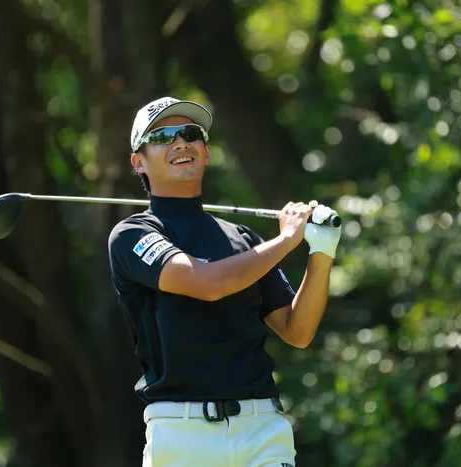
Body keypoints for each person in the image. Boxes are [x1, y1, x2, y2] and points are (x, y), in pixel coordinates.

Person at [108, 97, 342, 467]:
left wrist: (322, 251)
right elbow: (208, 284)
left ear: (206, 153)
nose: (180, 143)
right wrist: (286, 240)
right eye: (164, 137)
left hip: (262, 428)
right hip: (181, 433)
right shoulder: (133, 234)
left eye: (190, 134)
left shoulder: (244, 239)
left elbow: (297, 330)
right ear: (139, 162)